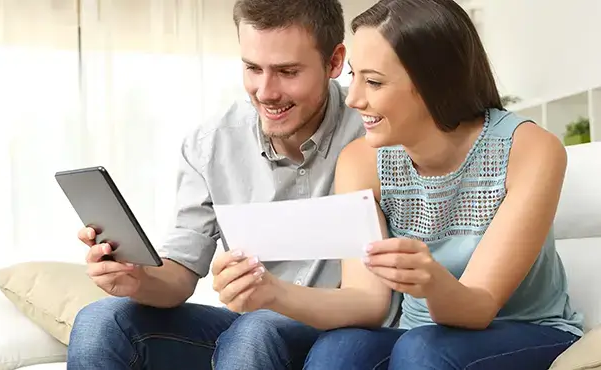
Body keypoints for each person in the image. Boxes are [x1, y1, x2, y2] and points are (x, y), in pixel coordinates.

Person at [67, 0, 402, 369]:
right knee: (100, 321)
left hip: (348, 333)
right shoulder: (210, 145)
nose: (265, 91)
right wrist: (136, 277)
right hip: (256, 333)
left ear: (335, 62)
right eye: (252, 68)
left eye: (287, 71)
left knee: (255, 329)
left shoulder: (375, 130)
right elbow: (178, 275)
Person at [305, 0, 584, 369]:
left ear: (433, 80)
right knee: (338, 353)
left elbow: (480, 306)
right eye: (353, 76)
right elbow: (366, 299)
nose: (354, 99)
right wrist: (270, 292)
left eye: (372, 81)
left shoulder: (529, 149)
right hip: (420, 336)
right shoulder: (361, 161)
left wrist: (432, 282)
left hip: (527, 330)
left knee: (423, 350)